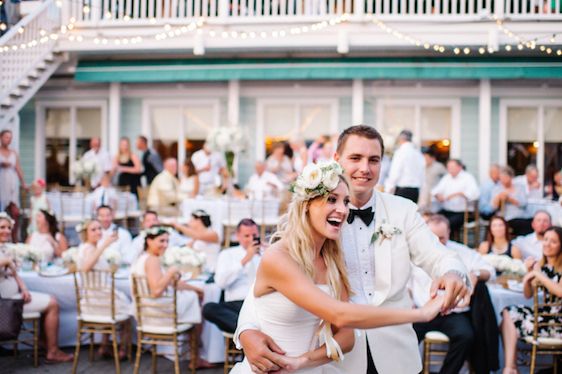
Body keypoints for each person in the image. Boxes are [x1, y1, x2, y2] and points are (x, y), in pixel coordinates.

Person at [237, 125, 469, 374]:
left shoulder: (403, 211)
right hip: (335, 358)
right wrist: (246, 331)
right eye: (355, 158)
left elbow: (438, 255)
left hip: (395, 354)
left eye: (374, 160)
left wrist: (453, 272)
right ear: (336, 160)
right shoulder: (314, 222)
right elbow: (267, 287)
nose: (365, 168)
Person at [410, 214, 495, 374]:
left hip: (454, 313)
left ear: (449, 232)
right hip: (423, 311)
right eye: (432, 237)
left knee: (466, 336)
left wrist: (475, 274)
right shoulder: (416, 253)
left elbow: (490, 271)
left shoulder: (463, 252)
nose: (437, 242)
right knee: (405, 338)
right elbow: (406, 283)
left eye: (441, 237)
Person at [0, 213, 73, 363]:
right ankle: (53, 351)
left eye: (8, 227)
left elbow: (14, 273)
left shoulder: (6, 247)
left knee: (50, 300)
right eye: (2, 227)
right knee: (53, 304)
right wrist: (6, 260)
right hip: (6, 302)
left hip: (16, 296)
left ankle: (42, 343)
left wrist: (24, 288)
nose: (6, 231)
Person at [500, 226, 562, 374]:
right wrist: (530, 274)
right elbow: (528, 294)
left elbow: (560, 291)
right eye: (546, 239)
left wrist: (538, 275)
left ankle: (510, 368)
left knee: (508, 318)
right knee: (507, 314)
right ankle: (511, 367)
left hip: (557, 323)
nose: (547, 244)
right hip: (545, 317)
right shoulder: (543, 265)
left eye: (553, 241)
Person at [76, 219, 130, 359]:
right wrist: (104, 246)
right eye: (93, 229)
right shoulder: (88, 248)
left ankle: (104, 347)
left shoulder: (90, 247)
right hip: (96, 299)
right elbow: (85, 268)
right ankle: (123, 350)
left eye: (99, 228)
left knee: (118, 299)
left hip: (93, 298)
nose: (98, 232)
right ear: (85, 233)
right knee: (128, 309)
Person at [131, 226, 201, 325]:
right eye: (161, 241)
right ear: (149, 241)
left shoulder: (142, 257)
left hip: (145, 308)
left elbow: (172, 283)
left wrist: (195, 289)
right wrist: (171, 272)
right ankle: (194, 338)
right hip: (158, 310)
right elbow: (156, 291)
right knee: (194, 298)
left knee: (193, 293)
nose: (165, 245)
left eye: (167, 241)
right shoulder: (152, 260)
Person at [202, 219, 261, 334]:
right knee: (209, 309)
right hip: (236, 305)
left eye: (254, 235)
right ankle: (252, 333)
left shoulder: (266, 253)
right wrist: (244, 260)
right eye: (246, 236)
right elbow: (220, 282)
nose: (250, 239)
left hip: (260, 304)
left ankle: (248, 331)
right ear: (238, 236)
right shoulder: (227, 254)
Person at [432, 159, 480, 238]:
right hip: (447, 210)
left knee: (447, 224)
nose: (449, 169)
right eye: (448, 167)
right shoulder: (447, 177)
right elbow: (435, 191)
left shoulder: (468, 178)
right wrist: (438, 195)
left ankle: (450, 243)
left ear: (460, 167)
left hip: (463, 213)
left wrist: (458, 194)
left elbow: (474, 194)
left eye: (452, 167)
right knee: (432, 221)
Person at [384, 129, 425, 203]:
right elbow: (422, 174)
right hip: (415, 191)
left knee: (400, 213)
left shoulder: (400, 152)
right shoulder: (418, 154)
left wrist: (388, 188)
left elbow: (395, 173)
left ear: (401, 138)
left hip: (403, 191)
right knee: (411, 214)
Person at [491, 166, 531, 236]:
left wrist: (510, 199)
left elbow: (524, 204)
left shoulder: (520, 187)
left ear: (511, 177)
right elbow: (493, 207)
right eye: (501, 178)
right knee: (519, 224)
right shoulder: (497, 189)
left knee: (531, 222)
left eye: (505, 178)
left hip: (522, 216)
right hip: (507, 218)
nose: (503, 180)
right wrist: (499, 198)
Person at [0, 129, 27, 210]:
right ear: (1, 137)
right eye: (7, 137)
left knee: (12, 205)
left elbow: (18, 168)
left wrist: (23, 183)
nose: (9, 140)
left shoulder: (13, 153)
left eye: (10, 138)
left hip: (12, 182)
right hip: (1, 181)